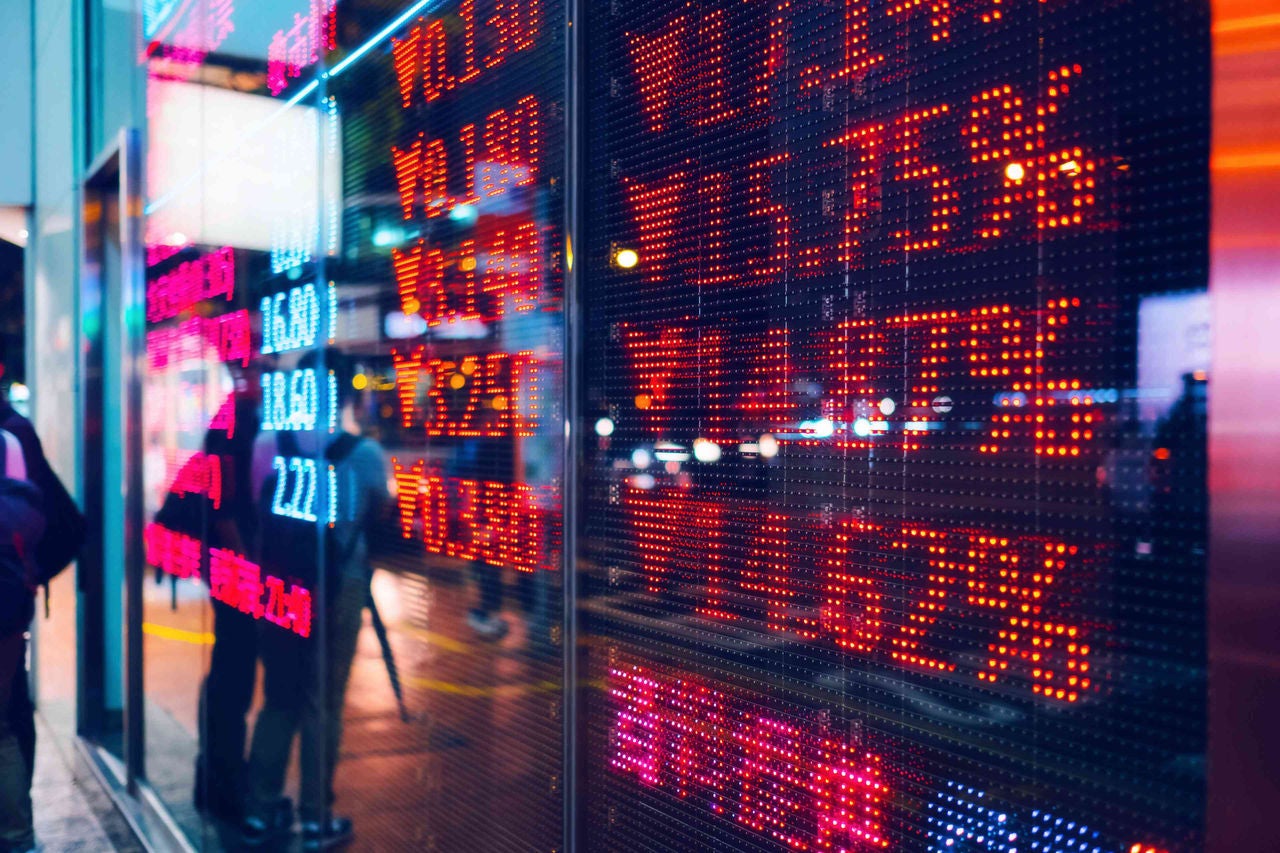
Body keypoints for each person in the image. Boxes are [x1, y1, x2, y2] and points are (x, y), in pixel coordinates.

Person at [241, 350, 390, 850]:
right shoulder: (365, 455)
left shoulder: (267, 444)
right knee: (323, 700)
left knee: (280, 695)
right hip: (338, 586)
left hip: (279, 584)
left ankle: (260, 809)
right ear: (348, 393)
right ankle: (315, 815)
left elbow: (256, 513)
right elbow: (380, 516)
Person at [0, 369, 85, 853]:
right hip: (7, 607)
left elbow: (66, 525)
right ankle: (17, 837)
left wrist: (27, 575)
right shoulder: (13, 435)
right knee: (7, 723)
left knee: (8, 720)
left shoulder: (13, 436)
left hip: (6, 605)